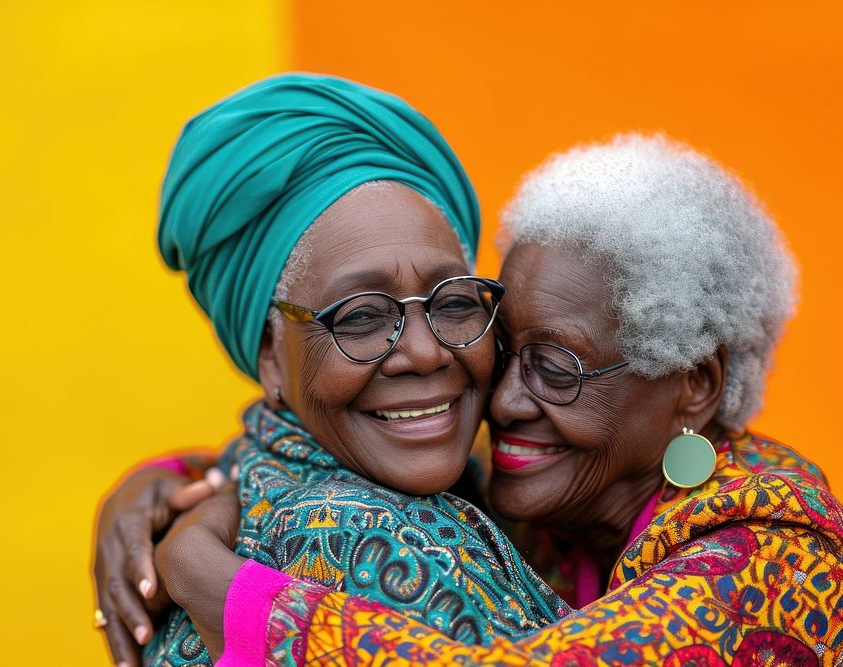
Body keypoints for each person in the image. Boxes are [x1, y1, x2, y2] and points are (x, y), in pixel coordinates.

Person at [96, 133, 843, 665]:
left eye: (555, 366)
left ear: (694, 383)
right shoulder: (555, 490)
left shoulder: (770, 551)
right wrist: (159, 484)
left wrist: (213, 580)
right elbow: (295, 449)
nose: (502, 399)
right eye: (505, 345)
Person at [96, 73, 571, 667]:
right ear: (271, 352)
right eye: (360, 316)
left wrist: (166, 475)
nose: (425, 353)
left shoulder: (250, 484)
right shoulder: (367, 543)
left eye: (452, 302)